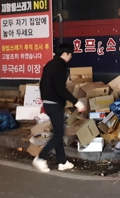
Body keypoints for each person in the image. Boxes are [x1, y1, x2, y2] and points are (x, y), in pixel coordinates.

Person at [32, 43, 86, 173]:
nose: (71, 57)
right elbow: (61, 89)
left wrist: (45, 100)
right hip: (54, 103)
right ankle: (40, 158)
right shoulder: (60, 66)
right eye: (70, 55)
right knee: (58, 134)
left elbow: (42, 84)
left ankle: (62, 162)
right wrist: (76, 102)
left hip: (48, 102)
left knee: (58, 132)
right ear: (65, 54)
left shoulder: (49, 65)